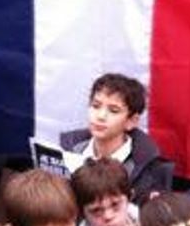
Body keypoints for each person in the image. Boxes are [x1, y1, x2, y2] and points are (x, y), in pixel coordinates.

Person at [60, 72, 174, 205]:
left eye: (113, 110)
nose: (101, 116)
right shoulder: (67, 152)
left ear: (131, 121)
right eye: (96, 106)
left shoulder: (150, 170)